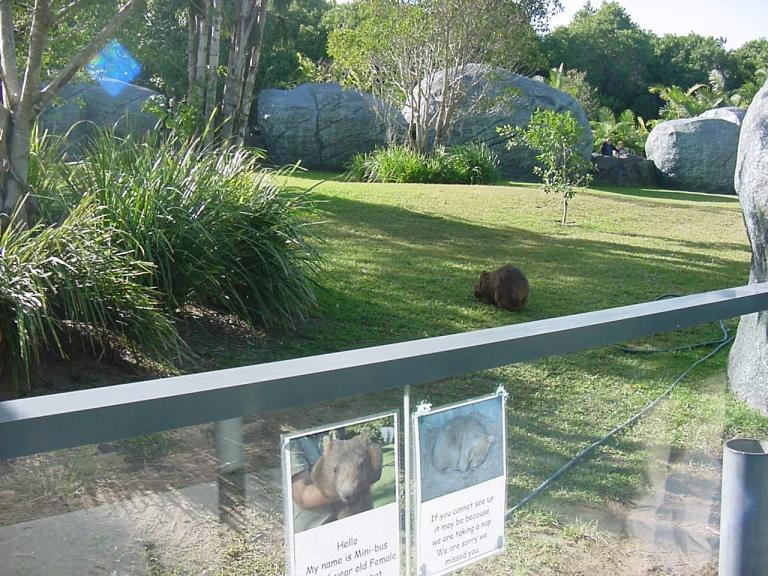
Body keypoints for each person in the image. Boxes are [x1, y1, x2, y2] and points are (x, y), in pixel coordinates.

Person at [290, 434, 336, 532]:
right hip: (313, 533)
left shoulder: (332, 432)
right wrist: (350, 487)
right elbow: (303, 496)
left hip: (341, 524)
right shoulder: (293, 443)